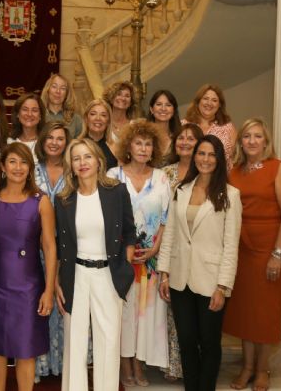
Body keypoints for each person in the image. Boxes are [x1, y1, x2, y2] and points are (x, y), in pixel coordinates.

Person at [157, 135, 242, 391]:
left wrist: (223, 287)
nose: (205, 159)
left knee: (209, 342)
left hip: (211, 281)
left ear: (219, 159)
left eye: (211, 155)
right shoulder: (181, 190)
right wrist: (164, 274)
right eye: (201, 153)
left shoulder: (230, 194)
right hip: (180, 279)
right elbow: (170, 233)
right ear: (194, 157)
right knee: (186, 341)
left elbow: (231, 246)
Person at [55, 138, 136, 391]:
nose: (82, 163)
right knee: (75, 344)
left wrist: (126, 268)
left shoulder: (117, 191)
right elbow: (61, 244)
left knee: (109, 343)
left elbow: (130, 233)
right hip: (75, 275)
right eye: (76, 158)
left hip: (108, 275)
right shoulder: (64, 198)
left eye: (87, 156)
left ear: (99, 160)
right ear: (71, 164)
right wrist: (58, 281)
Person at [223, 118, 281, 391]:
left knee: (264, 312)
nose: (252, 141)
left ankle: (263, 370)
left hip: (269, 247)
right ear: (240, 142)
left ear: (266, 141)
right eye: (246, 136)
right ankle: (247, 367)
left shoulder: (278, 168)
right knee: (245, 312)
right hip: (241, 246)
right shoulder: (235, 171)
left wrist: (278, 253)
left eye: (257, 136)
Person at [0, 142, 57, 391]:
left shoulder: (40, 201)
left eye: (24, 162)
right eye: (12, 161)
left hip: (28, 286)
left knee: (26, 349)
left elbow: (49, 247)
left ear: (30, 168)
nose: (18, 167)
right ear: (2, 166)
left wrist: (48, 290)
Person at [107, 120, 171, 386]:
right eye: (138, 143)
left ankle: (139, 364)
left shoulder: (162, 177)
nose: (143, 148)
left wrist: (155, 247)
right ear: (128, 146)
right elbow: (108, 217)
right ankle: (124, 365)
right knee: (124, 313)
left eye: (148, 144)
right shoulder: (113, 175)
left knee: (146, 316)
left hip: (151, 260)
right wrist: (125, 249)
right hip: (122, 258)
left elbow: (168, 217)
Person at [161, 122, 204, 382]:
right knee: (174, 312)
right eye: (181, 138)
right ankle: (175, 366)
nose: (185, 142)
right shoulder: (164, 173)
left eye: (191, 139)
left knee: (197, 313)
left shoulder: (206, 173)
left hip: (199, 252)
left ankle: (198, 366)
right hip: (169, 245)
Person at [33, 121, 70, 380]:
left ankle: (65, 364)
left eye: (60, 138)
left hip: (68, 249)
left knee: (63, 303)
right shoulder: (31, 171)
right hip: (36, 249)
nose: (55, 142)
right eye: (51, 137)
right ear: (43, 141)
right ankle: (41, 364)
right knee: (40, 304)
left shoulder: (75, 171)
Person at [182, 84, 236, 170]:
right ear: (198, 102)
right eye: (205, 98)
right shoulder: (184, 125)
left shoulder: (228, 128)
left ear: (219, 105)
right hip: (189, 178)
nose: (209, 103)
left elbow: (234, 158)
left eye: (214, 100)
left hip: (219, 179)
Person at [79, 99, 119, 169]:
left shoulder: (116, 148)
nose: (98, 118)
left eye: (103, 115)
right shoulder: (76, 145)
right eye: (93, 114)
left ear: (108, 121)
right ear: (86, 118)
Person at [7, 92, 46, 163]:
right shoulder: (9, 142)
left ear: (40, 116)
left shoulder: (46, 142)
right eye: (25, 109)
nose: (29, 114)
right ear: (18, 114)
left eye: (34, 110)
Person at [41, 73, 83, 138]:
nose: (58, 91)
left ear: (67, 94)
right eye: (54, 86)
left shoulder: (76, 119)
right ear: (47, 90)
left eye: (63, 88)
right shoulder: (38, 116)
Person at [147, 90, 182, 166]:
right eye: (159, 104)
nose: (163, 108)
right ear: (151, 109)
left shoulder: (180, 136)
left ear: (173, 110)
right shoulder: (144, 135)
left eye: (168, 105)